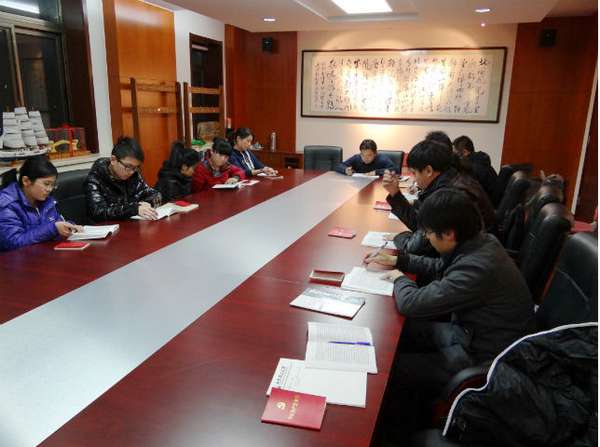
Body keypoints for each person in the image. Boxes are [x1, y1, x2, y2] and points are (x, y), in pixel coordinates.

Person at [365, 189, 534, 438]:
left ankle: (396, 434)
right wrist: (400, 260)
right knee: (399, 334)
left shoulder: (477, 267)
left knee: (390, 371)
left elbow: (411, 303)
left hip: (481, 357)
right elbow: (440, 267)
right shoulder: (481, 243)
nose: (427, 238)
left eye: (429, 232)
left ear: (449, 234)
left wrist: (399, 278)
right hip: (469, 333)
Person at [384, 138, 495, 256]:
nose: (415, 180)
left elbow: (416, 247)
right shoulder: (454, 178)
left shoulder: (448, 195)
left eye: (414, 173)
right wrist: (395, 193)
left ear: (428, 171)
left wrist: (399, 236)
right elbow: (422, 224)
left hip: (466, 259)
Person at [0, 155, 82, 250]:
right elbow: (13, 242)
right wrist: (53, 229)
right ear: (26, 181)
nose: (49, 189)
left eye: (53, 185)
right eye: (46, 184)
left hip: (44, 254)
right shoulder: (7, 204)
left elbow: (57, 224)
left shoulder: (46, 200)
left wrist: (70, 227)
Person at [85, 136, 160, 221]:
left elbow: (154, 194)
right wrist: (133, 209)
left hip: (131, 224)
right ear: (113, 160)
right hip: (107, 227)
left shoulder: (133, 174)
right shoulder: (95, 179)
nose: (131, 172)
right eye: (128, 166)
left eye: (135, 167)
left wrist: (147, 204)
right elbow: (98, 212)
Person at [453, 135, 498, 201]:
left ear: (465, 152)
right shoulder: (481, 162)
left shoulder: (470, 169)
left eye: (456, 154)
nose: (454, 157)